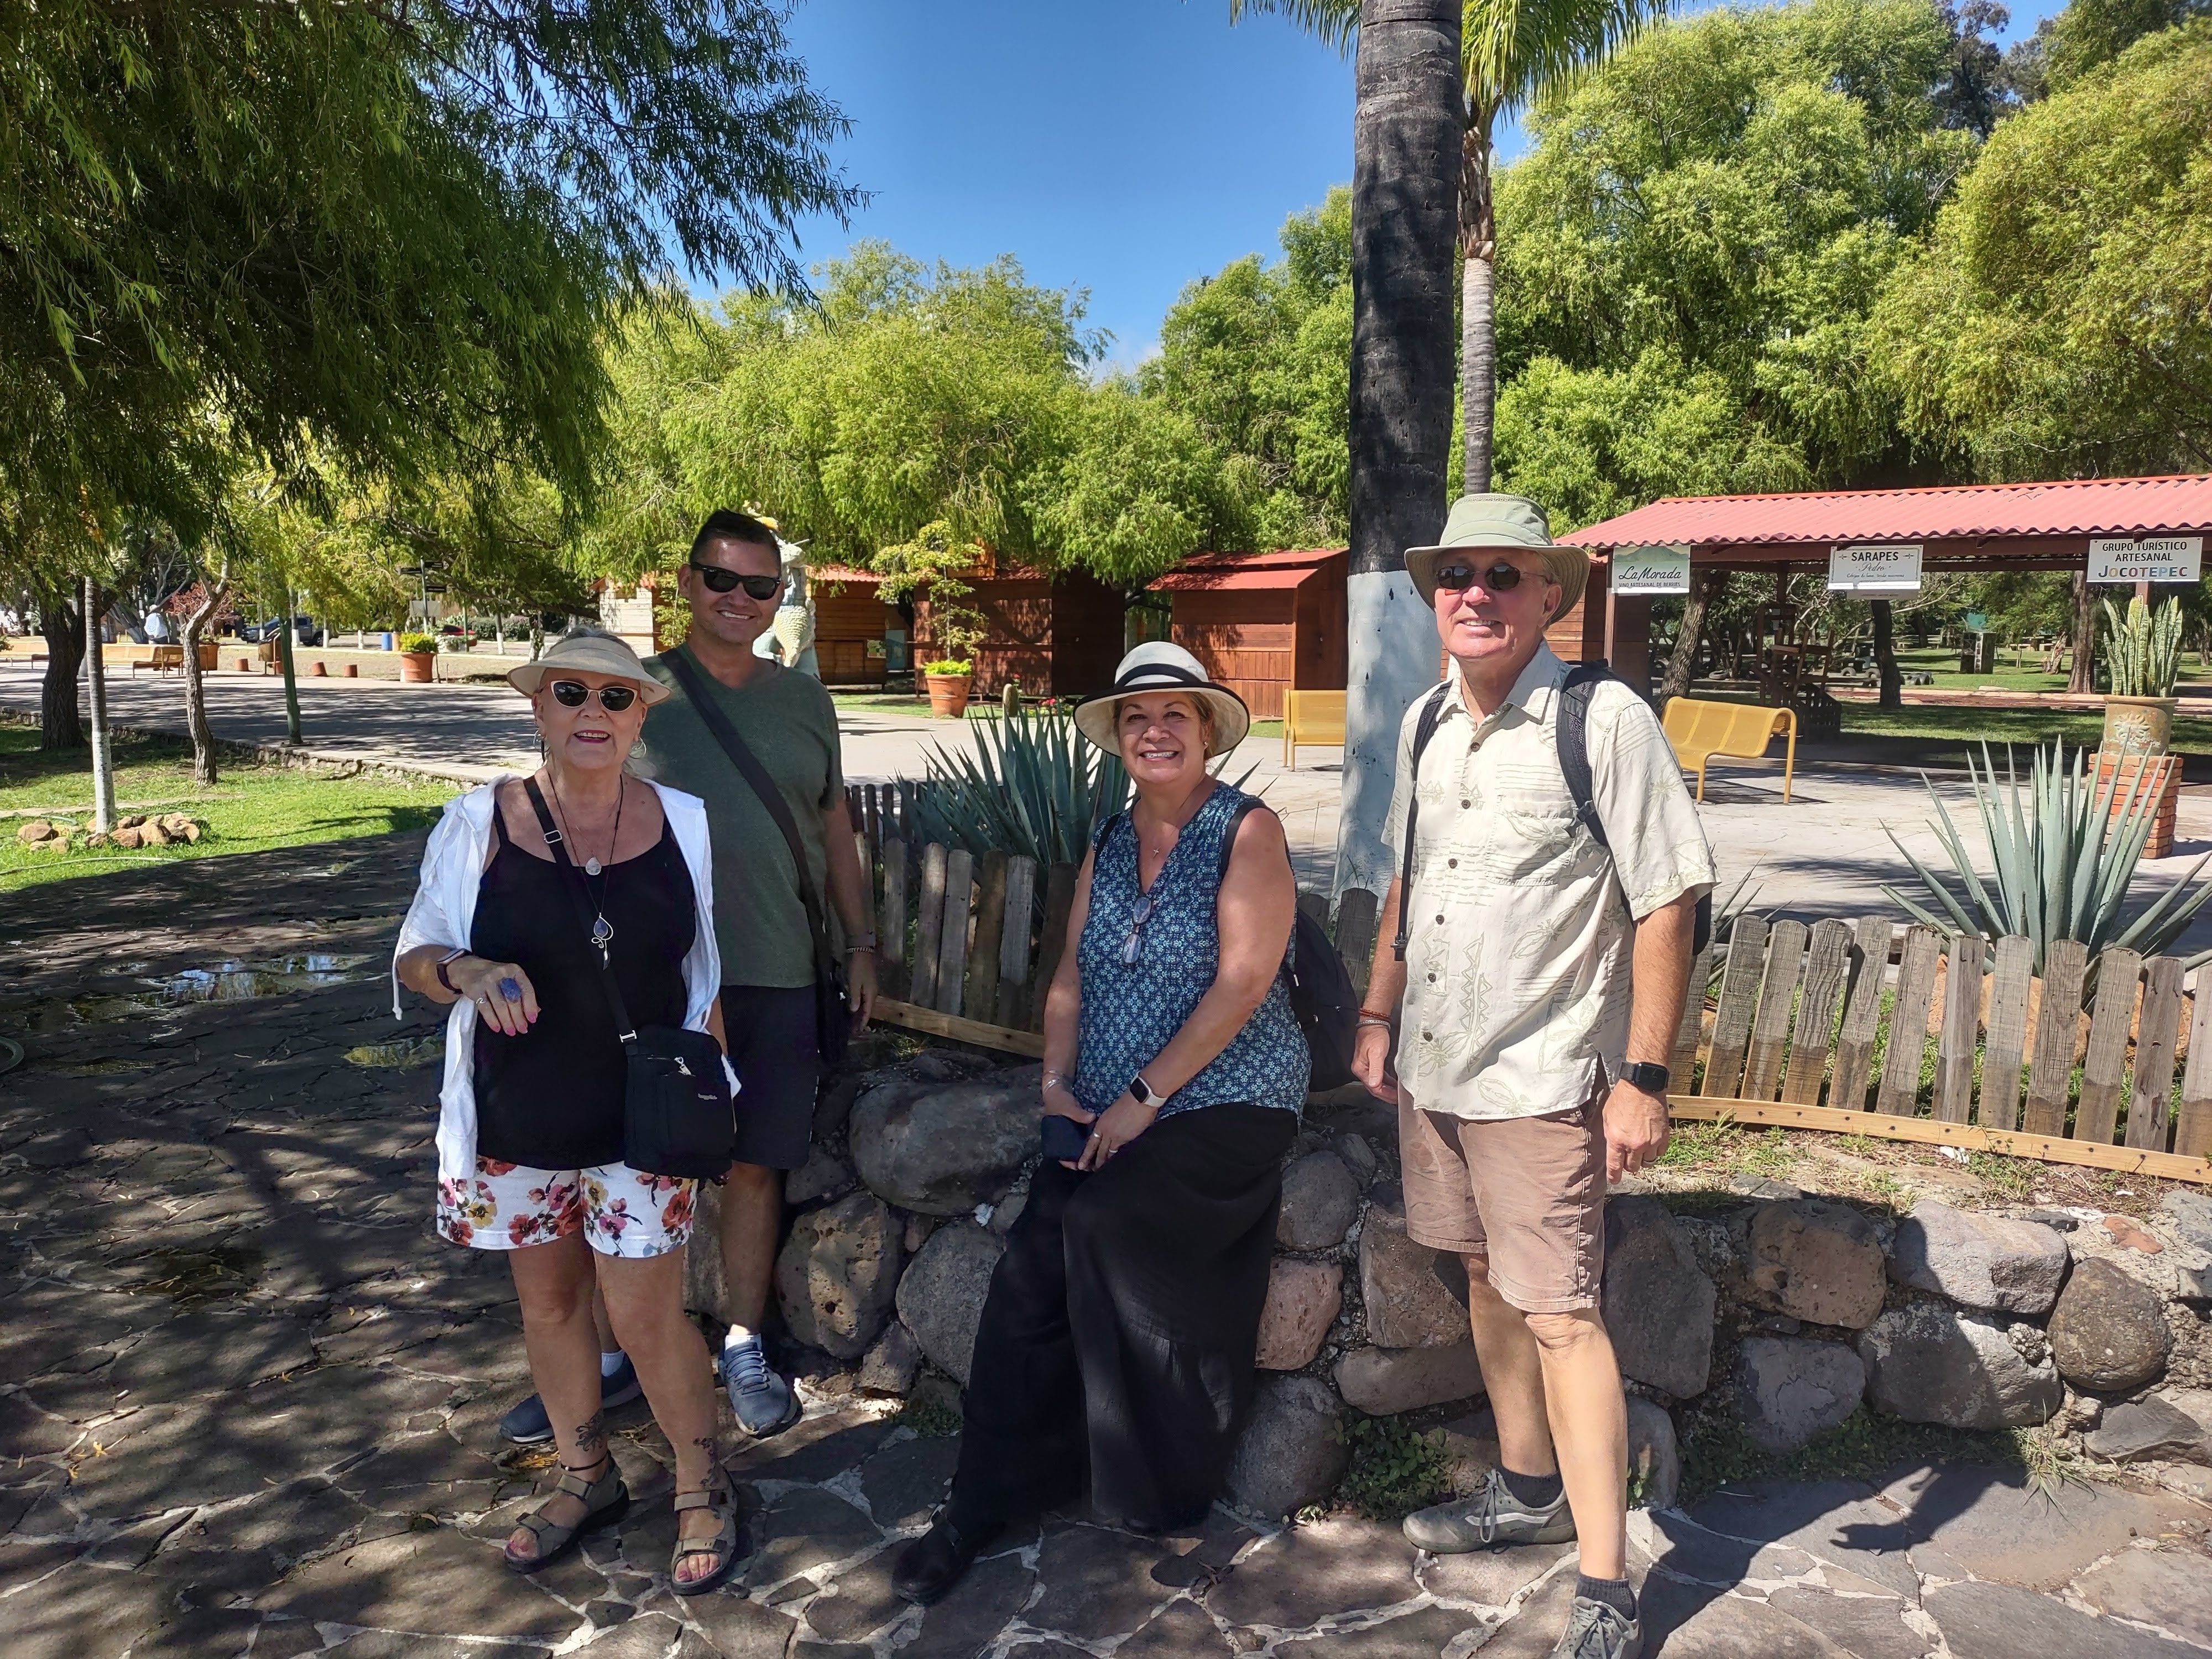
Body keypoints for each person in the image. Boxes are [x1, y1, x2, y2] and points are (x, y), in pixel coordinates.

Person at [1353, 496, 1714, 1659]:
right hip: (1436, 1066)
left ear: (1549, 593)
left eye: (1503, 574)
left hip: (1544, 1074)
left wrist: (1643, 1077)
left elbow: (1668, 896)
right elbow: (1410, 878)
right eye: (1456, 573)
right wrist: (1377, 1011)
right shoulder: (1424, 722)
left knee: (1561, 1313)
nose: (1477, 592)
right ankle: (1525, 1493)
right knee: (1479, 1272)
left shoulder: (1601, 721)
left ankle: (1605, 1586)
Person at [892, 641, 1309, 1606]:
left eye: (1176, 714)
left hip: (1228, 1098)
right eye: (1136, 717)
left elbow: (1244, 984)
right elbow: (1071, 979)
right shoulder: (1109, 839)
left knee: (1101, 1222)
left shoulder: (1248, 831)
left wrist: (1142, 1100)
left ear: (1206, 731)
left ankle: (1152, 1481)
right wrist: (1054, 1086)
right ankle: (980, 1500)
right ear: (1118, 736)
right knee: (1029, 1264)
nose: (1155, 731)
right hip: (1110, 1103)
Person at [491, 510, 875, 1445]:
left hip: (774, 968)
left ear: (778, 596)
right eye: (721, 579)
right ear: (687, 582)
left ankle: (742, 1342)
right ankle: (607, 1357)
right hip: (644, 981)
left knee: (753, 1163)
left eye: (760, 585)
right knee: (612, 1163)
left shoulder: (805, 702)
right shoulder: (636, 693)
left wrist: (861, 943)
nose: (739, 598)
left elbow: (833, 827)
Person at [393, 626, 743, 1592]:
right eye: (571, 693)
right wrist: (466, 970)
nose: (594, 712)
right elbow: (416, 954)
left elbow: (702, 966)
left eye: (616, 696)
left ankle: (700, 1482)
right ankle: (586, 1475)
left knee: (645, 1315)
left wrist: (719, 1088)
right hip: (520, 1116)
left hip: (644, 1120)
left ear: (641, 717)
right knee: (550, 1306)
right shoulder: (477, 822)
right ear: (538, 706)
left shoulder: (684, 821)